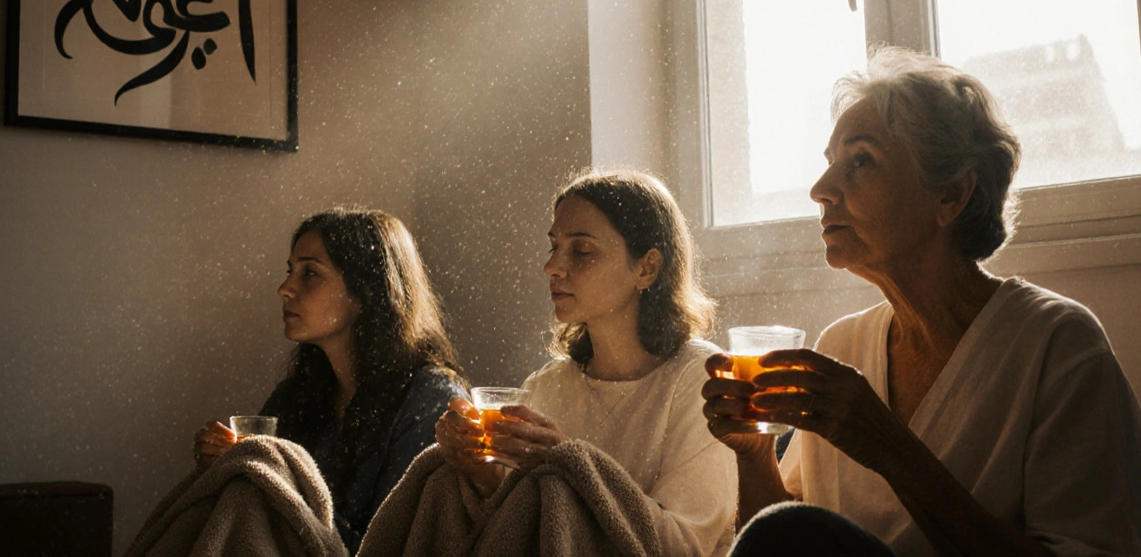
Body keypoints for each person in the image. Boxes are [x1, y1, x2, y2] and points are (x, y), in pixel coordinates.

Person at [702, 47, 1141, 556]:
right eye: (831, 163)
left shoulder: (1057, 346)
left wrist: (886, 444)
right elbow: (789, 541)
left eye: (861, 162)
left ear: (951, 196)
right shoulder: (843, 345)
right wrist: (753, 454)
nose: (820, 189)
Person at [433, 169, 738, 556]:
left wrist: (570, 463)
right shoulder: (547, 386)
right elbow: (519, 530)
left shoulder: (701, 378)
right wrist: (480, 472)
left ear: (647, 268)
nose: (553, 267)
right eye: (553, 247)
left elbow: (683, 547)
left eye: (582, 250)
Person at [193, 207, 468, 553]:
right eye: (290, 271)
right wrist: (226, 467)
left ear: (367, 291)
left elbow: (391, 543)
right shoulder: (296, 396)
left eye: (310, 273)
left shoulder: (430, 400)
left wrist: (271, 477)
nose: (284, 289)